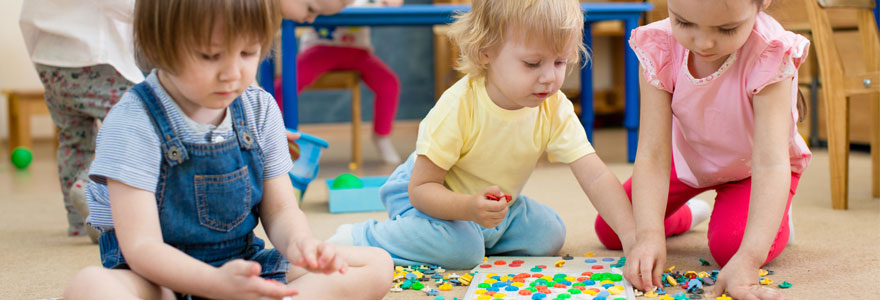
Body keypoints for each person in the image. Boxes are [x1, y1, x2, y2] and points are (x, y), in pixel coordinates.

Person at [62, 0, 392, 299]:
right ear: (159, 43)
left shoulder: (258, 108)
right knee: (92, 286)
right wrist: (214, 284)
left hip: (240, 265)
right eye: (210, 55)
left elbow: (280, 212)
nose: (232, 74)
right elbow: (141, 247)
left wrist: (301, 244)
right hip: (157, 280)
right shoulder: (134, 121)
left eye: (248, 52)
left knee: (376, 264)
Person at [324, 0, 639, 270]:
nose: (549, 77)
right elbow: (421, 189)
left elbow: (596, 177)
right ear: (486, 51)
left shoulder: (554, 108)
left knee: (550, 233)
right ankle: (362, 237)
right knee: (464, 251)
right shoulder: (459, 106)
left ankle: (473, 235)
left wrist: (633, 239)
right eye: (532, 63)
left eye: (560, 62)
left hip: (490, 206)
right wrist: (467, 210)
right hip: (427, 196)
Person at [595, 0, 811, 299]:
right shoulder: (660, 45)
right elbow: (653, 154)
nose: (704, 42)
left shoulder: (770, 52)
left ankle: (777, 216)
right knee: (614, 227)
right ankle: (689, 214)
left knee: (732, 248)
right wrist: (649, 234)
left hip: (753, 171)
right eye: (684, 23)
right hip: (689, 161)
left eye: (727, 28)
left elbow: (771, 163)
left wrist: (750, 258)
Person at [19, 0, 145, 242]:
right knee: (135, 126)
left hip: (49, 62)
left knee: (73, 140)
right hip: (96, 59)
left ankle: (77, 222)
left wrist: (39, 60)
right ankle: (90, 188)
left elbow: (26, 18)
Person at [275, 0, 404, 164]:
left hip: (357, 52)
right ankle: (277, 134)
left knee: (389, 83)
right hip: (320, 49)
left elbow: (393, 4)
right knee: (285, 85)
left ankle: (382, 135)